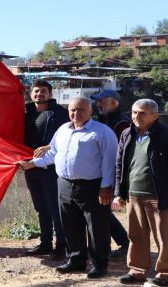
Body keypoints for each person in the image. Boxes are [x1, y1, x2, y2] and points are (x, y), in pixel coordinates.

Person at [17, 97, 118, 279]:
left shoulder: (102, 132)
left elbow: (109, 162)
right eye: (72, 110)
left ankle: (99, 264)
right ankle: (76, 260)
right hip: (64, 184)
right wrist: (32, 163)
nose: (76, 113)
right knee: (70, 224)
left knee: (96, 227)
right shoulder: (63, 129)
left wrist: (106, 187)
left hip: (92, 186)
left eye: (80, 110)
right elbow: (53, 154)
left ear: (90, 111)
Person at [113, 99, 168, 286]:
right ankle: (137, 271)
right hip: (134, 195)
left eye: (142, 113)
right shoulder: (127, 134)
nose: (136, 117)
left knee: (164, 239)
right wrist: (120, 192)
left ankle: (165, 275)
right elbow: (119, 165)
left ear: (155, 115)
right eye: (133, 112)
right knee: (136, 236)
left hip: (161, 198)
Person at [22, 80, 69, 259]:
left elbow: (68, 135)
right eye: (36, 91)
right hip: (31, 167)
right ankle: (45, 243)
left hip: (51, 168)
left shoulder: (60, 114)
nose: (39, 94)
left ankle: (62, 246)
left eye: (43, 91)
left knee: (55, 208)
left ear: (50, 94)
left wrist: (49, 147)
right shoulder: (26, 113)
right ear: (31, 94)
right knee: (41, 208)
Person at [90, 89, 131, 260]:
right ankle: (111, 245)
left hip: (112, 173)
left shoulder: (121, 123)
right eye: (97, 101)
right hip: (100, 171)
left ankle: (122, 245)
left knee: (102, 211)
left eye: (102, 101)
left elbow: (122, 153)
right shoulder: (104, 119)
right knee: (102, 211)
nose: (99, 104)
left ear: (114, 102)